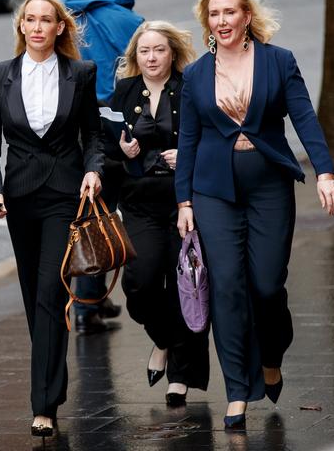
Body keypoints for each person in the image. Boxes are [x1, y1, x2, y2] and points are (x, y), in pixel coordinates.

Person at [175, 0, 334, 429]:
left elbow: (304, 116)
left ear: (246, 16)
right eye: (214, 14)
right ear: (206, 21)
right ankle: (238, 393)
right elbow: (188, 139)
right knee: (228, 287)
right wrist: (184, 200)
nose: (223, 21)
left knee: (267, 287)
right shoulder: (196, 74)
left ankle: (271, 355)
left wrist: (325, 172)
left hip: (268, 185)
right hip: (214, 191)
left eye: (230, 12)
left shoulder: (277, 61)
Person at [0, 0, 103, 437]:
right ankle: (54, 377)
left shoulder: (80, 73)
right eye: (29, 19)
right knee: (34, 297)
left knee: (51, 290)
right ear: (21, 26)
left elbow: (95, 136)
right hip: (20, 198)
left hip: (65, 196)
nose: (36, 27)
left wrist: (93, 171)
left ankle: (43, 405)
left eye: (45, 20)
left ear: (59, 27)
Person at [109, 21, 209, 406]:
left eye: (159, 50)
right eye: (144, 51)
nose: (151, 58)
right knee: (140, 282)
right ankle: (165, 340)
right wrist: (124, 152)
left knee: (188, 284)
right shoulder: (124, 92)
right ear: (136, 56)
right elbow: (107, 145)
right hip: (139, 202)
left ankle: (181, 376)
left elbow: (211, 138)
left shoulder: (192, 88)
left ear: (173, 53)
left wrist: (188, 157)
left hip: (185, 201)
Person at [62, 0, 144, 334]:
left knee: (89, 210)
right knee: (110, 206)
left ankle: (87, 304)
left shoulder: (62, 13)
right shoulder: (133, 21)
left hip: (72, 125)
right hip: (118, 124)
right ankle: (92, 302)